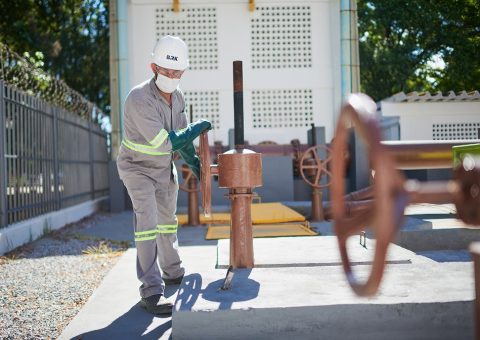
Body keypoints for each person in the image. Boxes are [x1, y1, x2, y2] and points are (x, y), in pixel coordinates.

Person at [117, 35, 211, 315]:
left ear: (183, 71)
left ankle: (172, 271)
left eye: (176, 72)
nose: (171, 76)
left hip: (162, 169)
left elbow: (182, 141)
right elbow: (166, 142)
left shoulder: (178, 97)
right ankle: (151, 290)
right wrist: (197, 128)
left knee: (168, 223)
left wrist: (195, 164)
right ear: (153, 67)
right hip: (136, 167)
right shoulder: (138, 98)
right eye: (166, 71)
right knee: (147, 221)